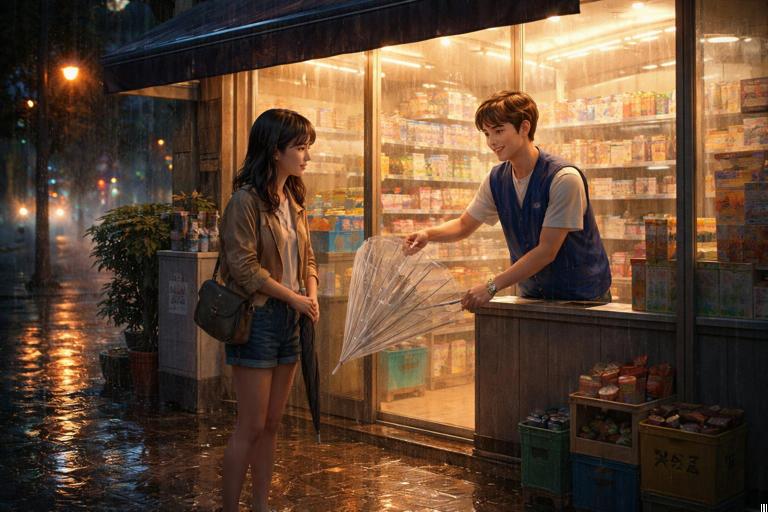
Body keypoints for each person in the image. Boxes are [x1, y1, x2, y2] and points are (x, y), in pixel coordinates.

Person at [404, 90, 611, 310]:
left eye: (499, 131)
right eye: (486, 134)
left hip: (583, 300)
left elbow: (547, 250)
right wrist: (428, 234)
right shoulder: (497, 178)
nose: (492, 142)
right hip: (533, 296)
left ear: (524, 127)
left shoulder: (564, 178)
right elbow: (464, 225)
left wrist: (492, 286)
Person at [218, 108, 319, 512]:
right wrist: (292, 297)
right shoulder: (245, 201)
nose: (306, 156)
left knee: (273, 424)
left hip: (291, 320)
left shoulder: (293, 199)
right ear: (275, 151)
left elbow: (308, 257)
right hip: (257, 319)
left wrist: (308, 295)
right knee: (251, 424)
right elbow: (243, 268)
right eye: (300, 147)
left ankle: (260, 505)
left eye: (307, 147)